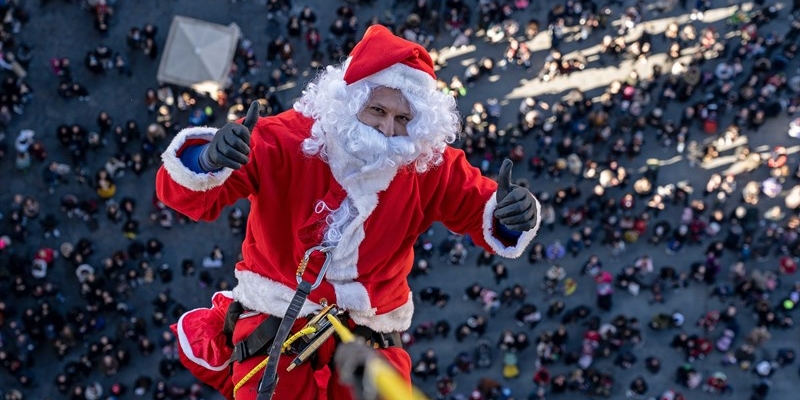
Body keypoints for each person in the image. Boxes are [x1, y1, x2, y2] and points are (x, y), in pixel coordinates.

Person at [156, 25, 541, 400]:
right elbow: (186, 195)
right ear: (350, 101)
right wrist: (205, 158)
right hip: (276, 321)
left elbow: (482, 208)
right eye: (377, 110)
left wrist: (511, 214)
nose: (388, 128)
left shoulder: (428, 164)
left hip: (372, 331)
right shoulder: (285, 138)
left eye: (403, 118)